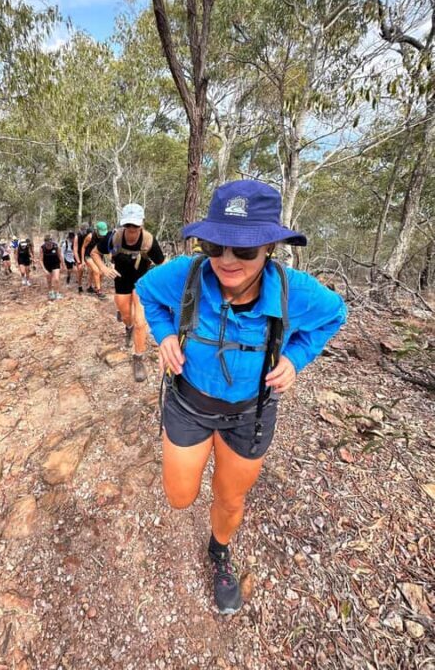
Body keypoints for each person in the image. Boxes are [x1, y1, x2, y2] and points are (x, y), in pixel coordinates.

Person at [136, 180, 346, 615]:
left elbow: (334, 315)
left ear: (270, 247)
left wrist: (296, 357)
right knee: (179, 496)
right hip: (189, 403)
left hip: (249, 415)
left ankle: (219, 552)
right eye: (216, 244)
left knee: (230, 498)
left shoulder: (297, 292)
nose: (227, 260)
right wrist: (164, 336)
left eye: (245, 250)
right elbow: (146, 294)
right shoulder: (186, 275)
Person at [91, 203, 164, 382]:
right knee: (126, 316)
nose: (131, 230)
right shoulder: (113, 237)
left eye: (135, 226)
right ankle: (127, 327)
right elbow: (94, 252)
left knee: (141, 322)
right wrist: (103, 268)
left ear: (142, 224)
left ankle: (138, 358)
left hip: (142, 283)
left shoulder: (148, 241)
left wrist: (157, 284)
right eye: (128, 226)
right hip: (121, 281)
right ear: (123, 224)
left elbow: (162, 263)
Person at [80, 221, 108, 299]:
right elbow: (83, 247)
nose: (101, 235)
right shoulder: (90, 236)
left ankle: (91, 287)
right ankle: (98, 290)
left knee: (102, 272)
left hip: (97, 256)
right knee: (96, 271)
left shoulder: (104, 237)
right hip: (88, 255)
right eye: (100, 233)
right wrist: (82, 260)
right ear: (96, 230)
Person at [40, 235, 65, 300]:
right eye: (47, 243)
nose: (49, 244)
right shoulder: (42, 248)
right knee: (49, 280)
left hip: (55, 264)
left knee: (56, 279)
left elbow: (60, 256)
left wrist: (63, 265)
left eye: (50, 242)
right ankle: (50, 292)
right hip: (47, 265)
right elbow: (41, 260)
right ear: (45, 242)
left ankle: (57, 293)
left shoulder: (56, 246)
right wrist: (44, 270)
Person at [74, 225, 90, 294]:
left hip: (87, 253)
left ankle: (90, 286)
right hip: (79, 254)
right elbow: (75, 250)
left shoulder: (89, 235)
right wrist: (79, 261)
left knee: (92, 269)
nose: (84, 231)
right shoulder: (77, 237)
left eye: (86, 229)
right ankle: (79, 286)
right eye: (83, 230)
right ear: (80, 230)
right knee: (80, 269)